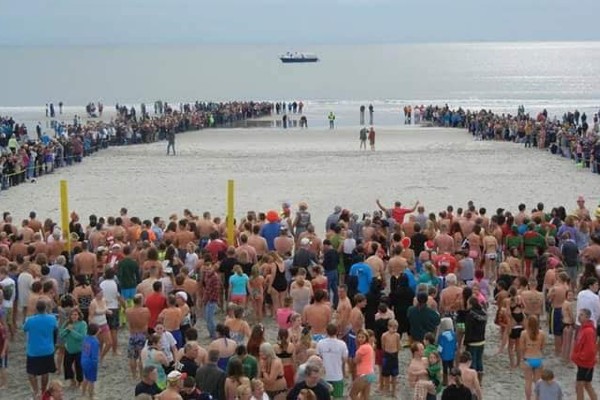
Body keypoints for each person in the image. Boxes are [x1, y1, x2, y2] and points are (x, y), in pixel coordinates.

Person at [24, 299, 58, 398]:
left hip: (34, 350)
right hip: (48, 349)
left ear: (36, 308)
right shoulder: (52, 319)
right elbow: (55, 328)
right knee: (45, 371)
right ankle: (43, 390)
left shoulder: (30, 320)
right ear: (45, 308)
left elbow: (24, 328)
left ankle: (36, 391)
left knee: (31, 372)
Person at [316, 323, 348, 399]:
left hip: (324, 376)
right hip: (337, 375)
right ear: (337, 332)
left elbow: (318, 358)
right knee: (337, 398)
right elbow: (344, 359)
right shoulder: (342, 344)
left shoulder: (320, 343)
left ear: (326, 332)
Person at [572, 308, 597, 400]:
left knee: (580, 386)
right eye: (579, 314)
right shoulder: (583, 328)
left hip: (585, 363)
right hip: (583, 362)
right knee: (586, 385)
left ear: (587, 317)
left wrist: (580, 357)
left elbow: (590, 349)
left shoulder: (588, 331)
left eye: (581, 315)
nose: (579, 316)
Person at [59, 308, 87, 387]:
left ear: (79, 315)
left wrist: (72, 331)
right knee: (67, 365)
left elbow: (81, 337)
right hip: (69, 348)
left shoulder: (83, 324)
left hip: (79, 349)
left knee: (79, 366)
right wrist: (67, 329)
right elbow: (61, 334)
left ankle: (80, 381)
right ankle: (72, 380)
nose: (73, 316)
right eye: (72, 315)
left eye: (75, 315)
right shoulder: (67, 323)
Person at [521, 315, 545, 400]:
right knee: (538, 382)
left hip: (527, 359)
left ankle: (528, 399)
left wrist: (522, 359)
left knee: (528, 382)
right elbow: (542, 347)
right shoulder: (542, 333)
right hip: (538, 358)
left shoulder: (524, 333)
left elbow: (522, 348)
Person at [380, 319, 401, 397]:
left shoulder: (397, 335)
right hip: (387, 355)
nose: (395, 329)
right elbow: (383, 346)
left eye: (396, 327)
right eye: (393, 327)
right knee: (386, 374)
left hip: (394, 355)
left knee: (394, 374)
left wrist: (396, 353)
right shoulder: (384, 335)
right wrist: (386, 352)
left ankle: (394, 391)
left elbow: (398, 346)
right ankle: (386, 389)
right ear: (388, 327)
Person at [80, 323, 100, 399]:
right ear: (96, 331)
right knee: (91, 381)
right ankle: (91, 396)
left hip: (83, 360)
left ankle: (83, 392)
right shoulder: (95, 342)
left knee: (85, 378)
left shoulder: (85, 338)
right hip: (91, 363)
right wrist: (95, 364)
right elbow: (94, 356)